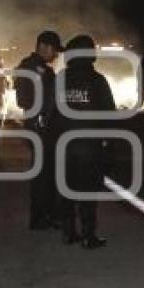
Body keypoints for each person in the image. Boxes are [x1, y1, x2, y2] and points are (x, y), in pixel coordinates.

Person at [51, 34, 116, 249]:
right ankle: (89, 236)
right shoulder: (98, 80)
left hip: (64, 144)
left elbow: (50, 112)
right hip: (89, 145)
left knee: (66, 189)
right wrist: (108, 142)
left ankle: (69, 233)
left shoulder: (60, 78)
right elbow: (109, 114)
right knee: (88, 191)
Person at [14, 30, 63, 230]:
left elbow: (24, 100)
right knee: (44, 176)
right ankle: (42, 218)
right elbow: (27, 100)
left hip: (36, 126)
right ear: (44, 46)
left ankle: (42, 216)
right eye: (54, 50)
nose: (56, 55)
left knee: (44, 174)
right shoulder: (36, 69)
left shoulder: (31, 67)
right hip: (40, 128)